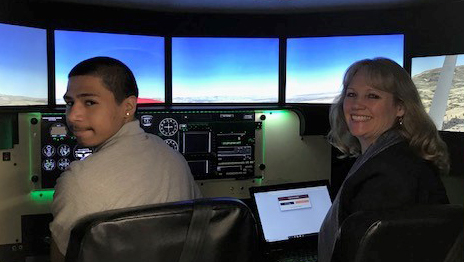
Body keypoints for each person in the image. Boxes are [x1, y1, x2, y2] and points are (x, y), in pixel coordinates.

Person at [49, 57, 201, 262]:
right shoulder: (173, 158)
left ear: (128, 107)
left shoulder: (77, 181)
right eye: (70, 103)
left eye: (90, 102)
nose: (73, 115)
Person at [318, 58, 450, 262]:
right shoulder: (397, 156)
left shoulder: (388, 174)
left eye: (372, 96)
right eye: (351, 94)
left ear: (400, 107)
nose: (356, 105)